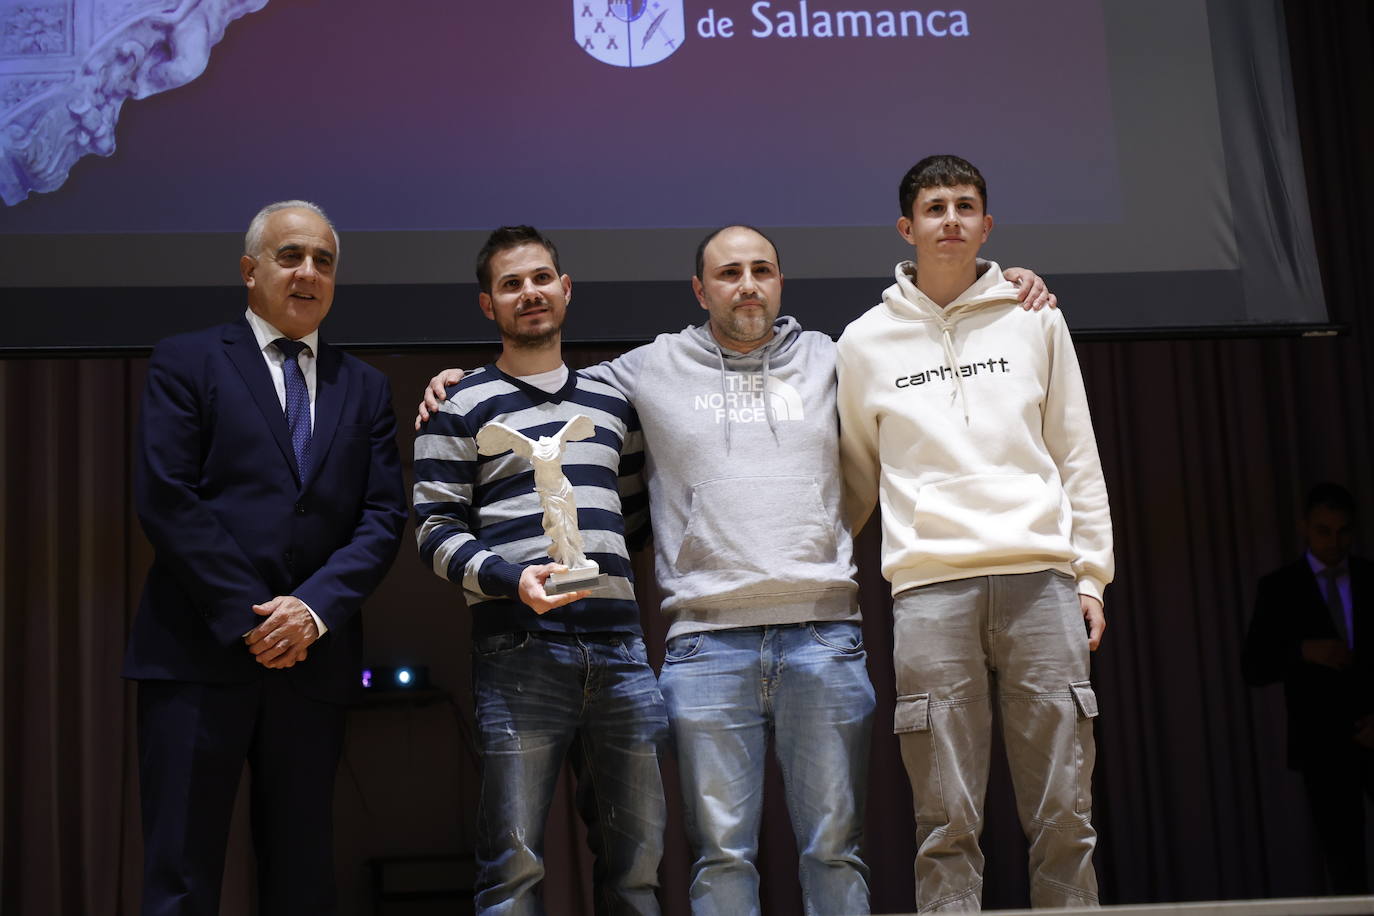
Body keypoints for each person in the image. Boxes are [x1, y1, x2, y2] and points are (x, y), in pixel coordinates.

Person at [417, 225, 1055, 915]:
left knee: (835, 849)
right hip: (702, 647)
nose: (747, 284)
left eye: (762, 270)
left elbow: (925, 340)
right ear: (700, 290)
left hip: (823, 637)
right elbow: (540, 388)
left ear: (781, 281)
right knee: (717, 858)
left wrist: (998, 284)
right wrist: (456, 383)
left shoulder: (835, 355)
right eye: (729, 273)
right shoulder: (641, 372)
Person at [836, 155, 1114, 910]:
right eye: (935, 207)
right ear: (907, 227)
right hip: (930, 591)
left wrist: (1091, 576)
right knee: (945, 819)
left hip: (1043, 584)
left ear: (987, 225)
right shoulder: (862, 343)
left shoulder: (1037, 318)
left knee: (1064, 811)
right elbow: (856, 480)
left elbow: (1075, 453)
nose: (950, 220)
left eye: (965, 206)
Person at [122, 200, 408, 914]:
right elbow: (166, 497)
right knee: (181, 875)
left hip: (312, 666)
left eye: (324, 261)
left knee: (302, 876)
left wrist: (311, 612)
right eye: (291, 257)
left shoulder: (365, 387)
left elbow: (382, 518)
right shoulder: (188, 360)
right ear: (251, 271)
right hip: (197, 654)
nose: (309, 272)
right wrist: (254, 616)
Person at [412, 226, 668, 914]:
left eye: (541, 278)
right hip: (517, 649)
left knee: (638, 863)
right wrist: (510, 580)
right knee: (513, 866)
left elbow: (634, 521)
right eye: (511, 284)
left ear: (565, 289)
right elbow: (434, 532)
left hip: (620, 649)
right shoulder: (458, 405)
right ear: (487, 305)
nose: (530, 293)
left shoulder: (615, 407)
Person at [1243, 482, 1374, 894]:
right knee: (1343, 858)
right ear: (1305, 528)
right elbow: (1255, 666)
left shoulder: (1372, 579)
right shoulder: (1281, 588)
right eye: (1323, 531)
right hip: (1323, 742)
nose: (1334, 542)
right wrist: (1302, 650)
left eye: (1343, 531)